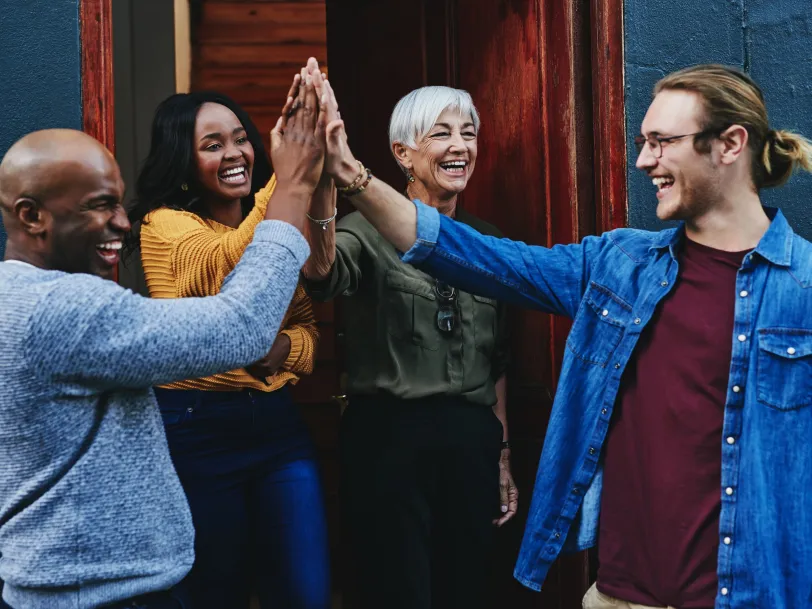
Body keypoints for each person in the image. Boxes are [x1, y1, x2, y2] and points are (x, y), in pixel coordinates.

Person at [315, 64, 812, 608]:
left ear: (729, 144)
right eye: (643, 143)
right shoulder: (619, 266)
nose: (644, 160)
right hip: (620, 596)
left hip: (749, 594)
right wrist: (349, 173)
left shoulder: (803, 288)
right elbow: (468, 253)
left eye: (662, 142)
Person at [0, 78, 325, 609]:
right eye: (99, 205)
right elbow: (240, 329)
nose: (123, 221)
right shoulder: (69, 311)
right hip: (105, 594)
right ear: (32, 216)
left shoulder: (14, 295)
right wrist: (291, 180)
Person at [303, 70, 517, 609]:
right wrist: (329, 175)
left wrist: (502, 455)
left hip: (470, 436)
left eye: (468, 133)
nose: (460, 146)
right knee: (395, 587)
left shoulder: (488, 242)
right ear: (403, 153)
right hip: (388, 438)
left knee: (467, 586)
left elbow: (497, 362)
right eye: (441, 133)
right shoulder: (361, 232)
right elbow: (321, 273)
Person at [128, 79, 330, 609]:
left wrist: (280, 350)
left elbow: (306, 329)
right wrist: (289, 179)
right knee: (217, 593)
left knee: (306, 591)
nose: (235, 153)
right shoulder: (162, 225)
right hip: (195, 428)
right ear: (183, 161)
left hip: (275, 426)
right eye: (212, 144)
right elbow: (222, 266)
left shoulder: (275, 219)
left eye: (240, 139)